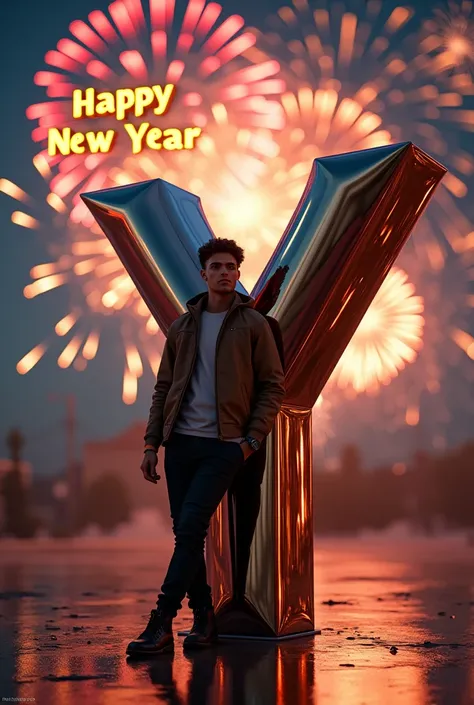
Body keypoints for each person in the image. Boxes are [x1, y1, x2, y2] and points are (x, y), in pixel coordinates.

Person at [126, 238, 285, 657]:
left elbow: (272, 385)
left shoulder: (253, 325)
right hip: (180, 445)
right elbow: (164, 389)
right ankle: (203, 616)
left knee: (191, 527)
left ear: (238, 273)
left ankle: (161, 622)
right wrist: (151, 443)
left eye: (232, 266)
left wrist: (250, 440)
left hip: (223, 447)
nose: (225, 273)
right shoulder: (182, 327)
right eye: (217, 266)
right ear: (204, 274)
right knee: (187, 534)